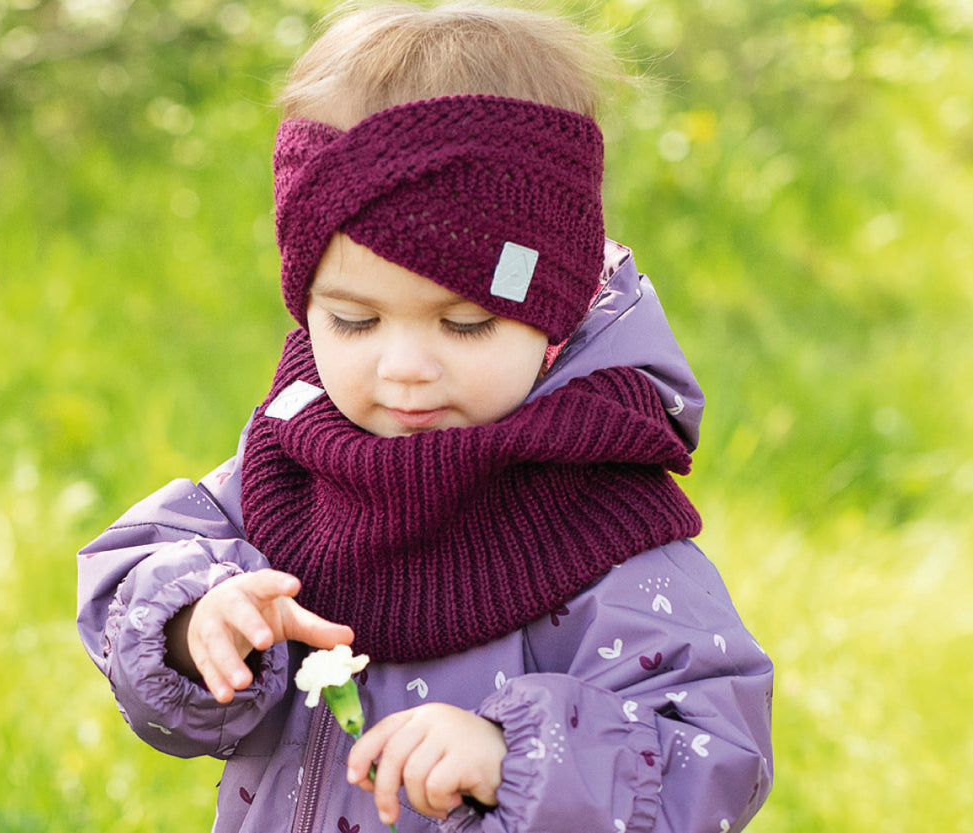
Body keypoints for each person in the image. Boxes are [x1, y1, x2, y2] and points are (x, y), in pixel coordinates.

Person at [76, 2, 774, 831]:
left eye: (465, 322)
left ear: (551, 316)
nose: (402, 366)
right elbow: (132, 590)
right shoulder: (289, 464)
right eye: (354, 321)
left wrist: (512, 757)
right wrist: (196, 624)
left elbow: (710, 758)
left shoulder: (601, 528)